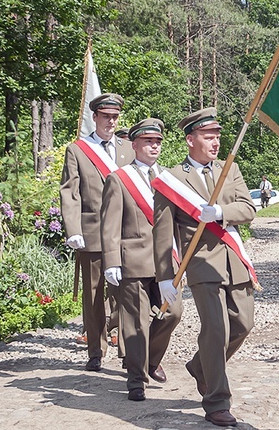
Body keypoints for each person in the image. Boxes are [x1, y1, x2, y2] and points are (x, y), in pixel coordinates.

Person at [152, 107, 257, 427]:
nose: (215, 142)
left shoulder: (231, 169)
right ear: (190, 140)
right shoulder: (172, 179)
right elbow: (161, 231)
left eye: (218, 136)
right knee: (216, 330)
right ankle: (216, 402)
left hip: (234, 261)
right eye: (208, 136)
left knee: (243, 324)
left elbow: (248, 209)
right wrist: (164, 279)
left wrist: (222, 211)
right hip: (200, 266)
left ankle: (200, 367)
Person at [100, 118, 183, 401]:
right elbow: (109, 224)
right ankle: (136, 379)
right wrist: (112, 261)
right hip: (133, 261)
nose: (154, 146)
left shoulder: (170, 178)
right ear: (134, 145)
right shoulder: (119, 179)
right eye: (148, 141)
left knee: (173, 313)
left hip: (167, 262)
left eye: (158, 142)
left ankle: (149, 359)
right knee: (135, 322)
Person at [60, 93, 134, 371]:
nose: (111, 122)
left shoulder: (128, 148)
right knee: (93, 296)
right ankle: (96, 350)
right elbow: (70, 192)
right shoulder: (78, 150)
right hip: (91, 232)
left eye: (115, 117)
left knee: (126, 292)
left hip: (125, 231)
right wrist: (73, 228)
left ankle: (129, 351)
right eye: (106, 116)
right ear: (95, 117)